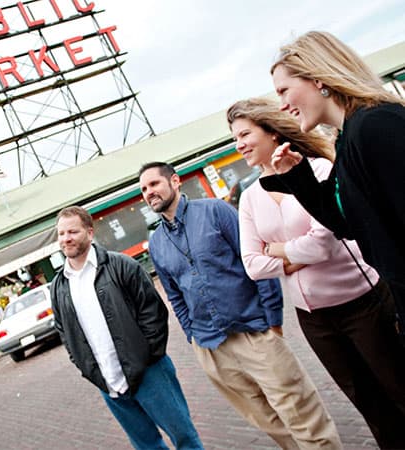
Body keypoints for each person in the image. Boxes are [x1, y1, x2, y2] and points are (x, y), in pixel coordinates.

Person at [228, 97, 405, 449]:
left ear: (271, 133)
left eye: (245, 134)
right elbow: (252, 264)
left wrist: (277, 250)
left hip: (363, 303)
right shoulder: (249, 199)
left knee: (399, 388)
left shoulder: (318, 169)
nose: (240, 145)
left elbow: (323, 244)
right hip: (315, 320)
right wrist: (295, 251)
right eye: (235, 138)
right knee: (368, 404)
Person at [139, 162, 341, 450]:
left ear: (175, 181)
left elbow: (254, 261)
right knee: (264, 419)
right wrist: (192, 335)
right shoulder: (157, 243)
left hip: (255, 330)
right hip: (211, 346)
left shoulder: (215, 211)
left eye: (154, 184)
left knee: (300, 411)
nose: (149, 193)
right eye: (144, 189)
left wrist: (272, 319)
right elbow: (174, 295)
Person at [264, 30, 405, 334]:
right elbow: (345, 224)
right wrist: (296, 176)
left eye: (283, 90)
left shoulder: (376, 125)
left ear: (317, 79)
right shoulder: (347, 139)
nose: (283, 105)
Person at [51, 206, 204, 450]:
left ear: (89, 233)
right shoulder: (58, 286)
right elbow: (65, 333)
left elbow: (153, 312)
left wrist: (147, 358)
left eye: (72, 231)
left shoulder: (120, 265)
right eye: (61, 233)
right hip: (109, 383)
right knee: (147, 446)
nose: (66, 238)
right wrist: (89, 369)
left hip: (150, 372)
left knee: (184, 438)